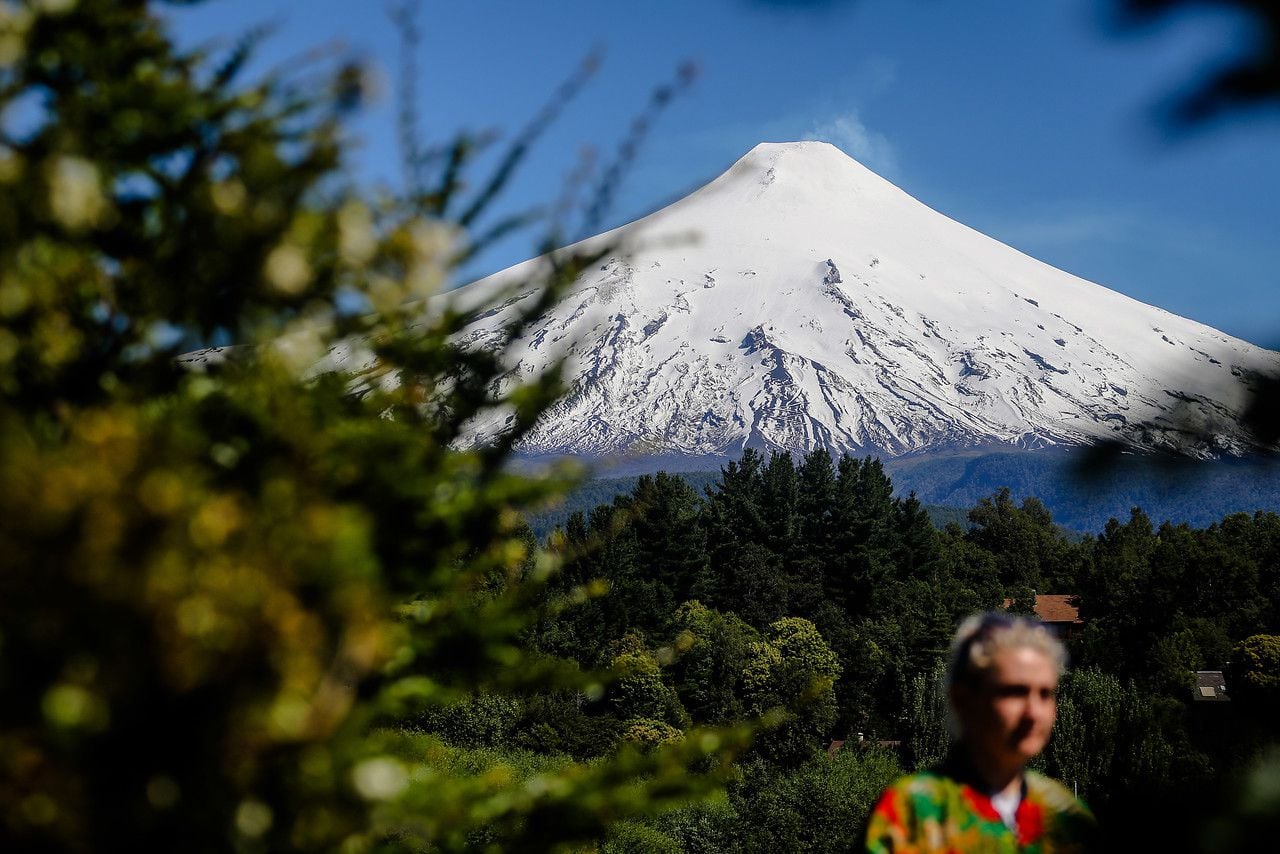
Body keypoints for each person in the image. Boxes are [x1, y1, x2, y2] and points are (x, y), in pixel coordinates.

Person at [865, 613, 1097, 853]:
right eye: (1015, 692)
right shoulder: (908, 812)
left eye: (1046, 694)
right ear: (963, 700)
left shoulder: (1068, 816)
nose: (1033, 713)